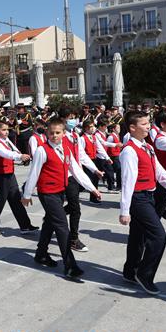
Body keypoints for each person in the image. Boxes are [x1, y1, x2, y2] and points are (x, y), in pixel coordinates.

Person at [21, 118, 101, 281]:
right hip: (47, 193)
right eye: (51, 133)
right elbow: (34, 173)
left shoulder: (66, 148)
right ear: (47, 133)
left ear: (64, 133)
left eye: (58, 132)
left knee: (50, 223)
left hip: (59, 191)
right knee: (62, 226)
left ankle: (41, 254)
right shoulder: (42, 150)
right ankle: (70, 265)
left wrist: (92, 188)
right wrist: (27, 195)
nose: (54, 135)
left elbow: (76, 170)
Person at [119, 111, 166, 295]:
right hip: (138, 198)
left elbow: (159, 171)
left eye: (148, 123)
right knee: (158, 236)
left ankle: (130, 271)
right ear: (132, 128)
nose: (148, 126)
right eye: (144, 124)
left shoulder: (147, 146)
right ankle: (144, 273)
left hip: (149, 195)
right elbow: (127, 181)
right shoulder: (129, 150)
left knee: (137, 236)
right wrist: (124, 211)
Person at [59, 107, 103, 253]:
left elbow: (82, 155)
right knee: (75, 209)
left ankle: (53, 217)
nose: (73, 120)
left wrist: (94, 169)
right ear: (63, 119)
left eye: (74, 117)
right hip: (66, 175)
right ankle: (73, 239)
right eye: (70, 118)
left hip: (76, 174)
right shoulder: (59, 137)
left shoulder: (75, 136)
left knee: (72, 207)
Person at [0, 121, 39, 235]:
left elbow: (14, 150)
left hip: (10, 174)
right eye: (3, 130)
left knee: (16, 199)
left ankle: (25, 225)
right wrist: (19, 156)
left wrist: (22, 155)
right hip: (0, 176)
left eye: (7, 129)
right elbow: (6, 154)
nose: (6, 132)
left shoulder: (7, 141)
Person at [94, 119, 119, 192]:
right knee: (106, 171)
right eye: (105, 126)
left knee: (109, 171)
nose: (106, 128)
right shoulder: (97, 134)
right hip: (99, 156)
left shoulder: (104, 133)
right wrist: (116, 144)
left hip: (104, 155)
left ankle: (110, 187)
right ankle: (109, 187)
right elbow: (103, 143)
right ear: (100, 126)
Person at [106, 123, 123, 191]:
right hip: (113, 155)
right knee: (117, 170)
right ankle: (116, 186)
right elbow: (107, 145)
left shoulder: (117, 135)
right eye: (118, 128)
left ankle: (119, 185)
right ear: (113, 129)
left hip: (117, 154)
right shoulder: (111, 136)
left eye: (119, 128)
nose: (119, 129)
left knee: (118, 170)